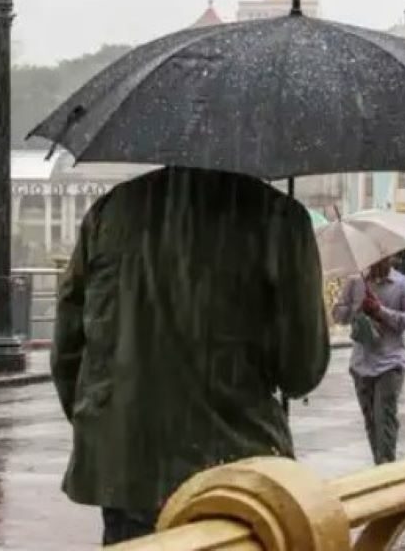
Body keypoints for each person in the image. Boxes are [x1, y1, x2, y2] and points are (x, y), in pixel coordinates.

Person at [51, 167, 330, 546]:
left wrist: (112, 423)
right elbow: (302, 371)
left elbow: (68, 346)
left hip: (128, 466)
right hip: (237, 466)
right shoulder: (281, 218)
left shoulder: (112, 210)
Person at [334, 255, 405, 465]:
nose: (376, 263)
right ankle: (379, 464)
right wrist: (356, 309)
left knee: (385, 418)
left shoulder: (403, 284)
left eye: (383, 259)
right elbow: (338, 314)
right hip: (361, 363)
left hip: (390, 363)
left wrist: (380, 311)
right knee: (371, 421)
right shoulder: (355, 282)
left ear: (391, 259)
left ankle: (386, 464)